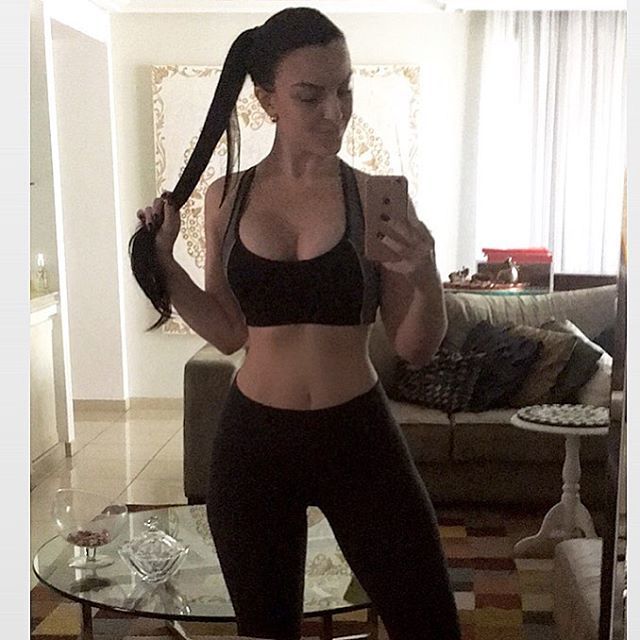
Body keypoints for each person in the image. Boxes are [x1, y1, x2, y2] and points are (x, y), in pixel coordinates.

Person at [132, 7, 461, 640]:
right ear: (266, 100)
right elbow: (228, 331)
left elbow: (416, 347)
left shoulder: (375, 197)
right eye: (310, 95)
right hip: (254, 442)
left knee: (429, 623)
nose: (335, 111)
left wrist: (426, 275)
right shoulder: (228, 197)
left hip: (358, 436)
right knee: (266, 631)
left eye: (345, 90)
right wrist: (166, 264)